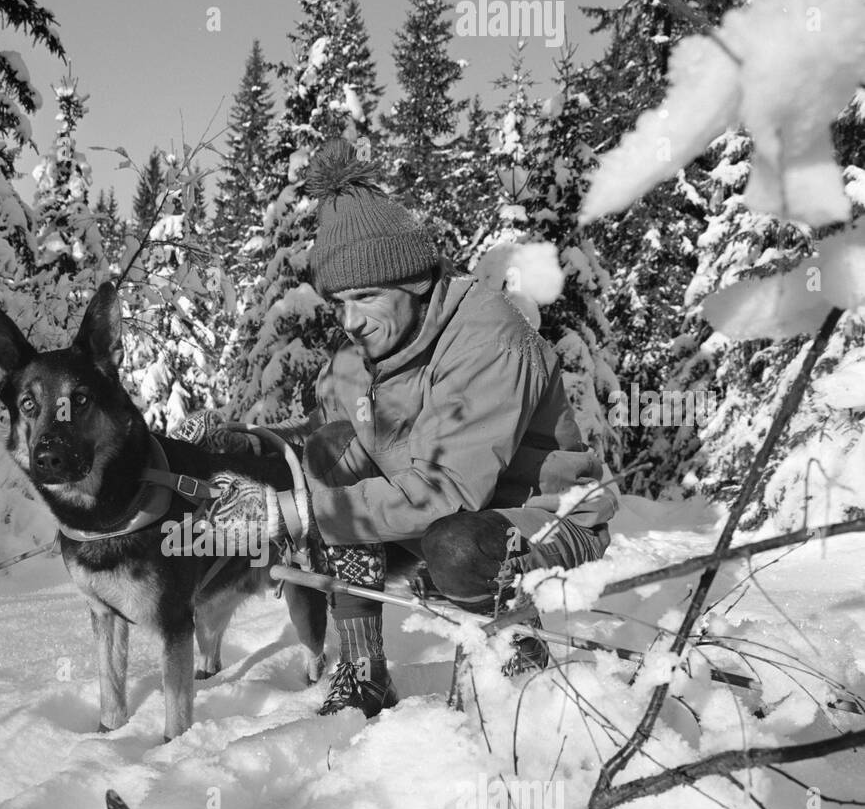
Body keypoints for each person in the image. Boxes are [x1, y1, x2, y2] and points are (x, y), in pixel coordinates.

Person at [182, 137, 617, 718]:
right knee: (329, 455)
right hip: (443, 521)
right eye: (338, 302)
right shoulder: (361, 354)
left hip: (545, 521)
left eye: (365, 297)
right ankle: (363, 673)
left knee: (456, 545)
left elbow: (447, 489)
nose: (350, 320)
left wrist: (299, 512)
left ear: (413, 283)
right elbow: (337, 447)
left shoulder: (488, 336)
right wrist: (252, 455)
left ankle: (516, 671)